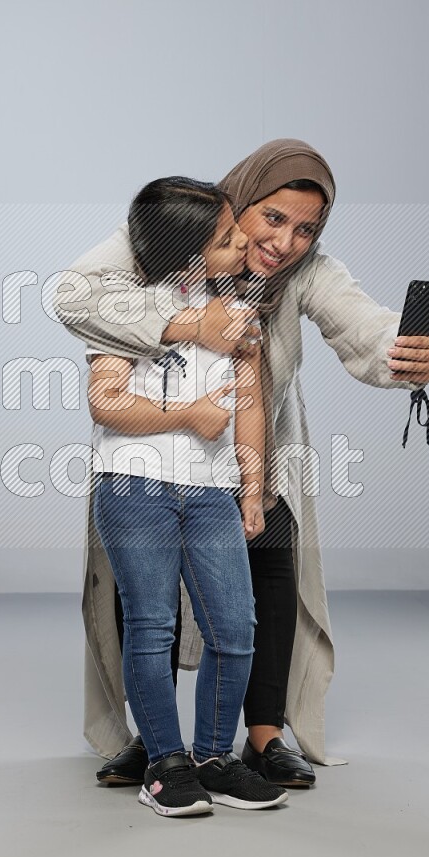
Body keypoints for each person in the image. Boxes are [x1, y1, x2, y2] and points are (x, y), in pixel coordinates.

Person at [54, 139, 429, 787]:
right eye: (272, 219)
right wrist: (192, 324)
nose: (286, 242)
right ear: (238, 200)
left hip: (259, 447)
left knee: (270, 567)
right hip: (156, 452)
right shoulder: (168, 231)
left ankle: (263, 733)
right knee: (144, 589)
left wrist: (408, 353)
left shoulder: (310, 270)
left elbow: (364, 327)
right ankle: (153, 741)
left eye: (306, 229)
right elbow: (74, 295)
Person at [87, 175, 287, 816]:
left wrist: (251, 484)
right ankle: (165, 765)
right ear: (188, 254)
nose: (244, 244)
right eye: (229, 239)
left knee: (236, 627)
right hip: (134, 484)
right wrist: (187, 416)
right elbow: (106, 400)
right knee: (151, 626)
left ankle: (212, 757)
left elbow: (250, 401)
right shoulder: (128, 309)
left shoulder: (239, 308)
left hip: (211, 492)